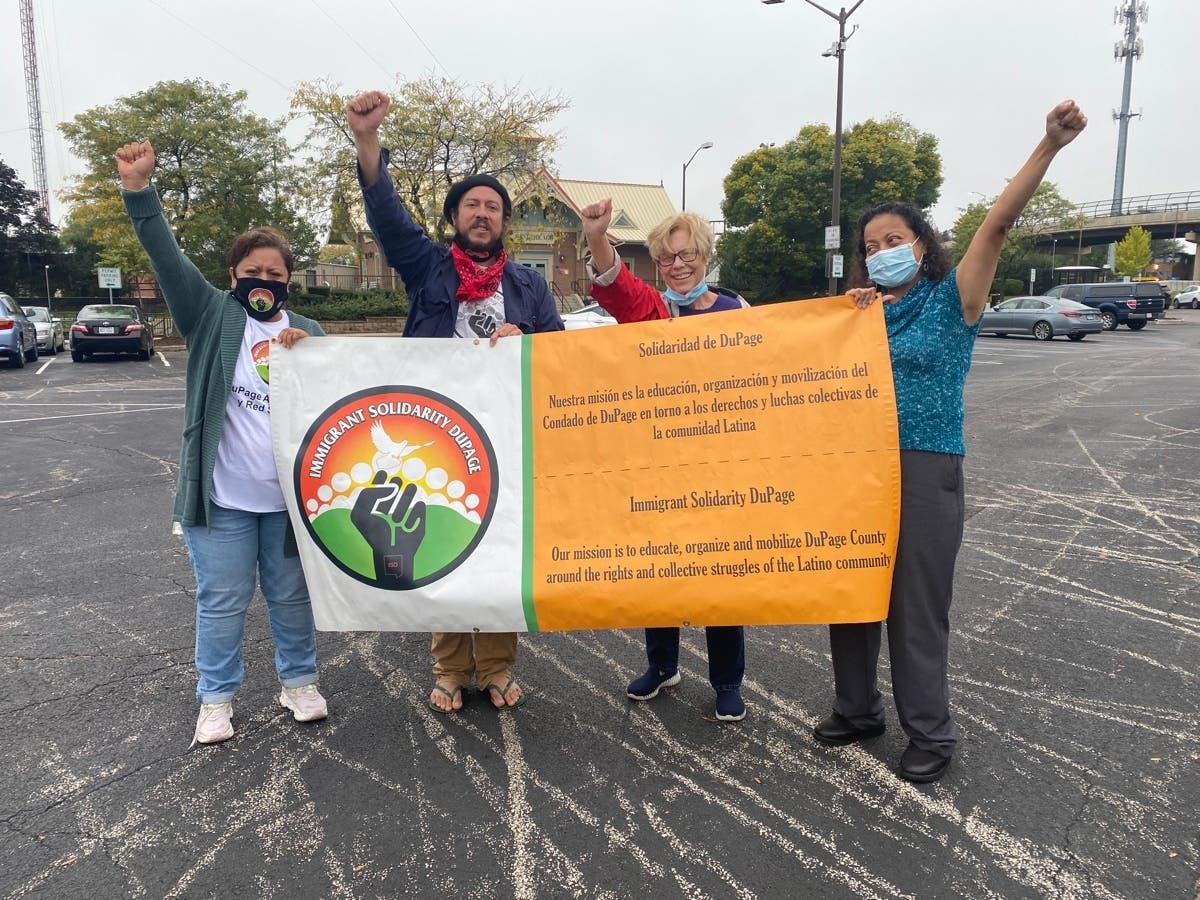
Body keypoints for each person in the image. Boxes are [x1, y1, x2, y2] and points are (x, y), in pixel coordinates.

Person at [813, 100, 1088, 782]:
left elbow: (995, 226)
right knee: (851, 589)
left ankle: (930, 733)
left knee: (916, 605)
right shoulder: (858, 315)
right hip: (857, 468)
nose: (881, 252)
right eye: (870, 246)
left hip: (924, 467)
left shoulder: (953, 300)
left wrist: (1048, 145)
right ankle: (857, 708)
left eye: (894, 239)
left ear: (922, 245)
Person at [346, 90, 564, 714]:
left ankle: (495, 665)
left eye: (493, 207)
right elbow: (388, 220)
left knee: (498, 550)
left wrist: (528, 340)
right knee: (439, 540)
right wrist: (367, 141)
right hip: (435, 433)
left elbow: (560, 352)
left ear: (504, 223)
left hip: (506, 434)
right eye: (472, 204)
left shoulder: (530, 286)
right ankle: (449, 666)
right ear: (454, 217)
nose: (483, 213)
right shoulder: (427, 269)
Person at [116, 140, 329, 747]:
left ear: (289, 282)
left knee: (292, 597)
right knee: (222, 600)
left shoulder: (308, 331)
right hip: (223, 500)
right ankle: (216, 698)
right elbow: (166, 257)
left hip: (288, 502)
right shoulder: (210, 314)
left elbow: (343, 400)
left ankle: (299, 683)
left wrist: (311, 355)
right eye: (252, 273)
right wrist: (139, 191)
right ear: (233, 276)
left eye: (275, 275)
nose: (264, 282)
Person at [579, 199, 749, 722]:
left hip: (720, 465)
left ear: (706, 255)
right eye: (667, 258)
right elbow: (616, 285)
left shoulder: (738, 311)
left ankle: (727, 681)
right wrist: (596, 237)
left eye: (687, 254)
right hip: (659, 462)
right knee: (658, 566)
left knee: (721, 573)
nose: (678, 266)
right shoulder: (653, 311)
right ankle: (662, 665)